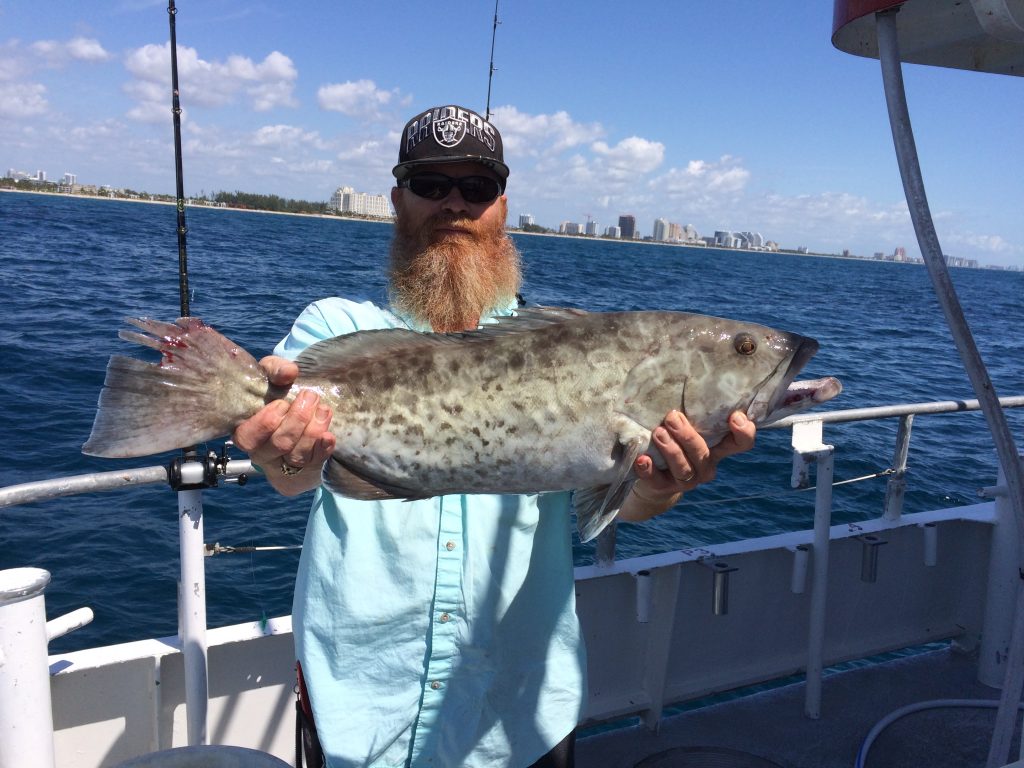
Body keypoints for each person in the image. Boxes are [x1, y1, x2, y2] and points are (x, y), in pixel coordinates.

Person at [232, 104, 756, 768]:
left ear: (501, 208)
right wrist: (268, 444)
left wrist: (659, 486)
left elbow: (622, 500)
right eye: (430, 185)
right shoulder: (335, 329)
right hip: (363, 703)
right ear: (398, 199)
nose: (454, 205)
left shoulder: (566, 347)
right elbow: (292, 473)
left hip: (520, 711)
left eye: (475, 189)